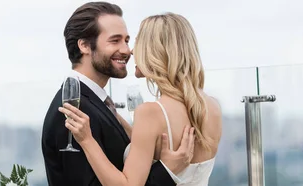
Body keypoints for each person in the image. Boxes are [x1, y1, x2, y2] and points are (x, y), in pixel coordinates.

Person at [58, 12, 223, 186]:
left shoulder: (150, 113)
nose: (132, 51)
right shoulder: (212, 106)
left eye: (138, 43)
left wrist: (87, 140)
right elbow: (153, 141)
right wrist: (117, 117)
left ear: (155, 51)